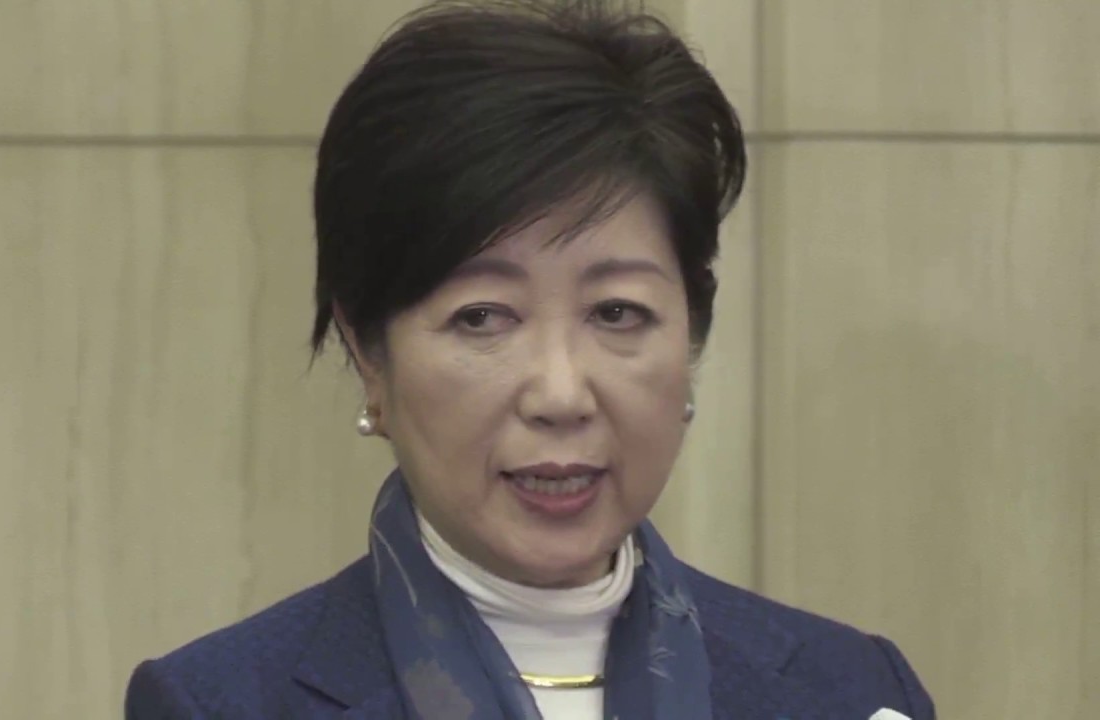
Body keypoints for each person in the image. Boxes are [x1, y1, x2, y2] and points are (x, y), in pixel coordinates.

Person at [125, 1, 935, 718]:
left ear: (690, 335)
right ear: (370, 355)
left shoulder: (851, 690)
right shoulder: (220, 702)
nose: (560, 393)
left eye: (616, 312)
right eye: (483, 317)